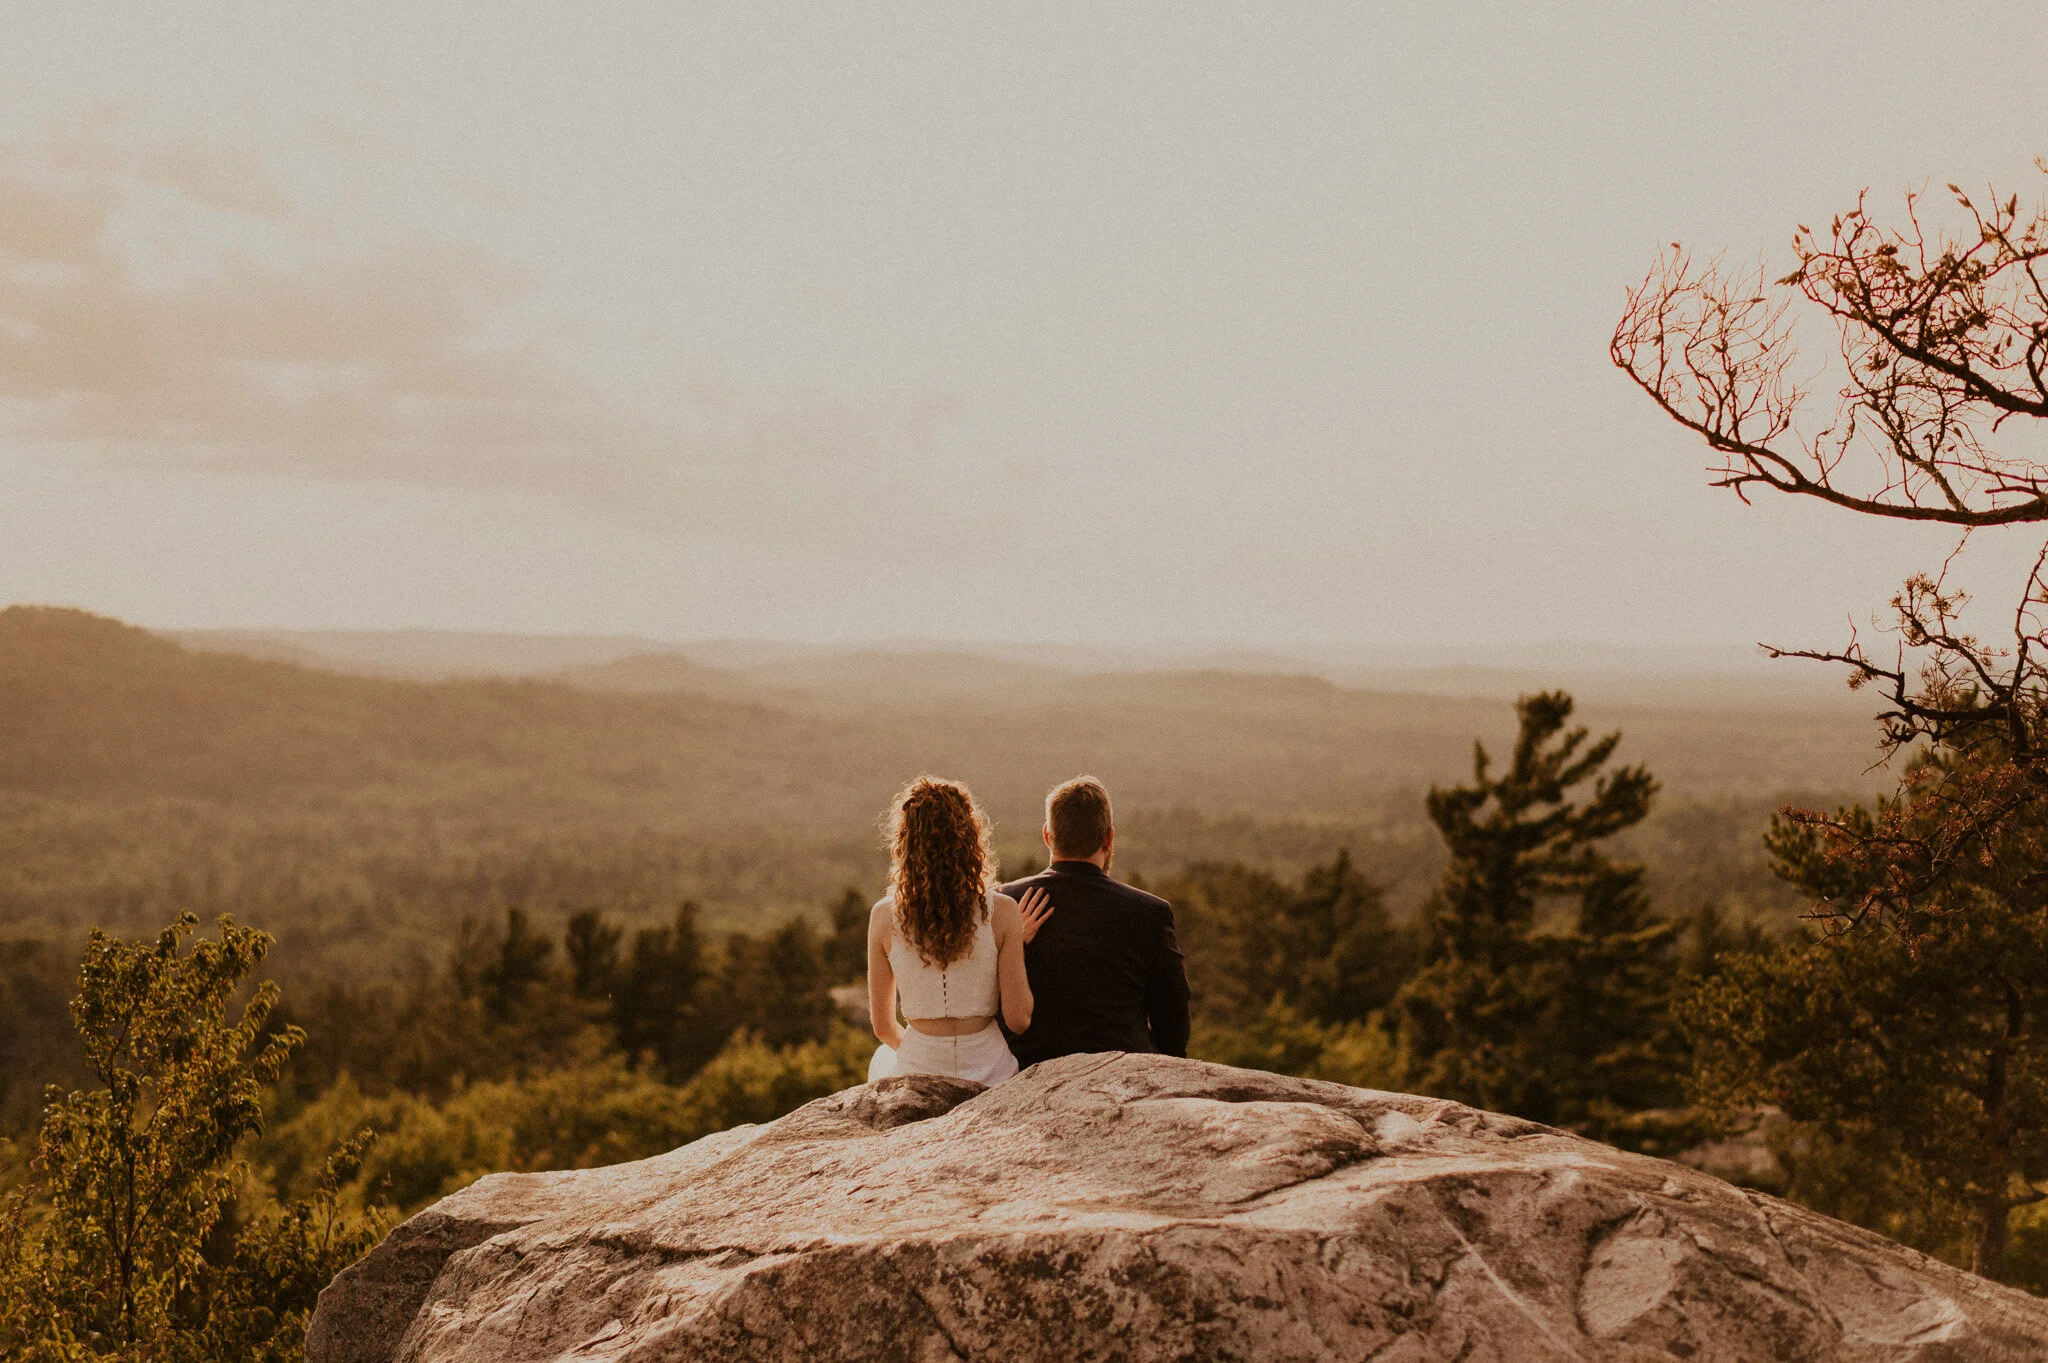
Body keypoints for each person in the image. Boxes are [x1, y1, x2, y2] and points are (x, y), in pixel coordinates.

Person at [867, 776, 1052, 1086]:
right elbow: (1019, 1021)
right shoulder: (1003, 911)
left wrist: (922, 1053)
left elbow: (883, 1028)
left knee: (880, 1059)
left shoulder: (883, 916)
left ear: (905, 843)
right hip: (990, 1073)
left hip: (918, 1072)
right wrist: (1014, 947)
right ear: (970, 840)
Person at [1001, 776, 1190, 1068]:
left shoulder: (1006, 903)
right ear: (1109, 837)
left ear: (1048, 836)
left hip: (1026, 1073)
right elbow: (1174, 1025)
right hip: (1123, 1072)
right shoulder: (1150, 912)